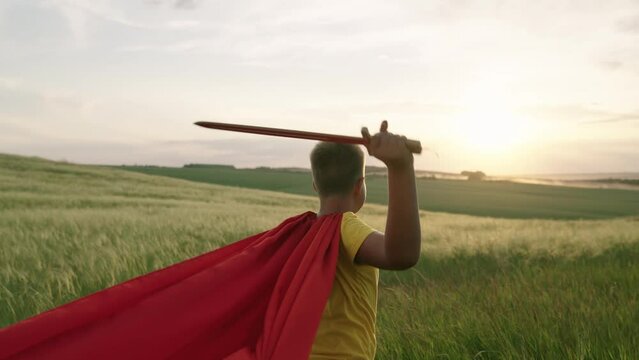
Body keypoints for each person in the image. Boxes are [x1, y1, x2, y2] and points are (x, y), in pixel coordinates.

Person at [309, 120, 422, 359]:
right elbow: (402, 254)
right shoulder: (344, 226)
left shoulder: (299, 231)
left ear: (314, 186)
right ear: (359, 186)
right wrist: (400, 166)